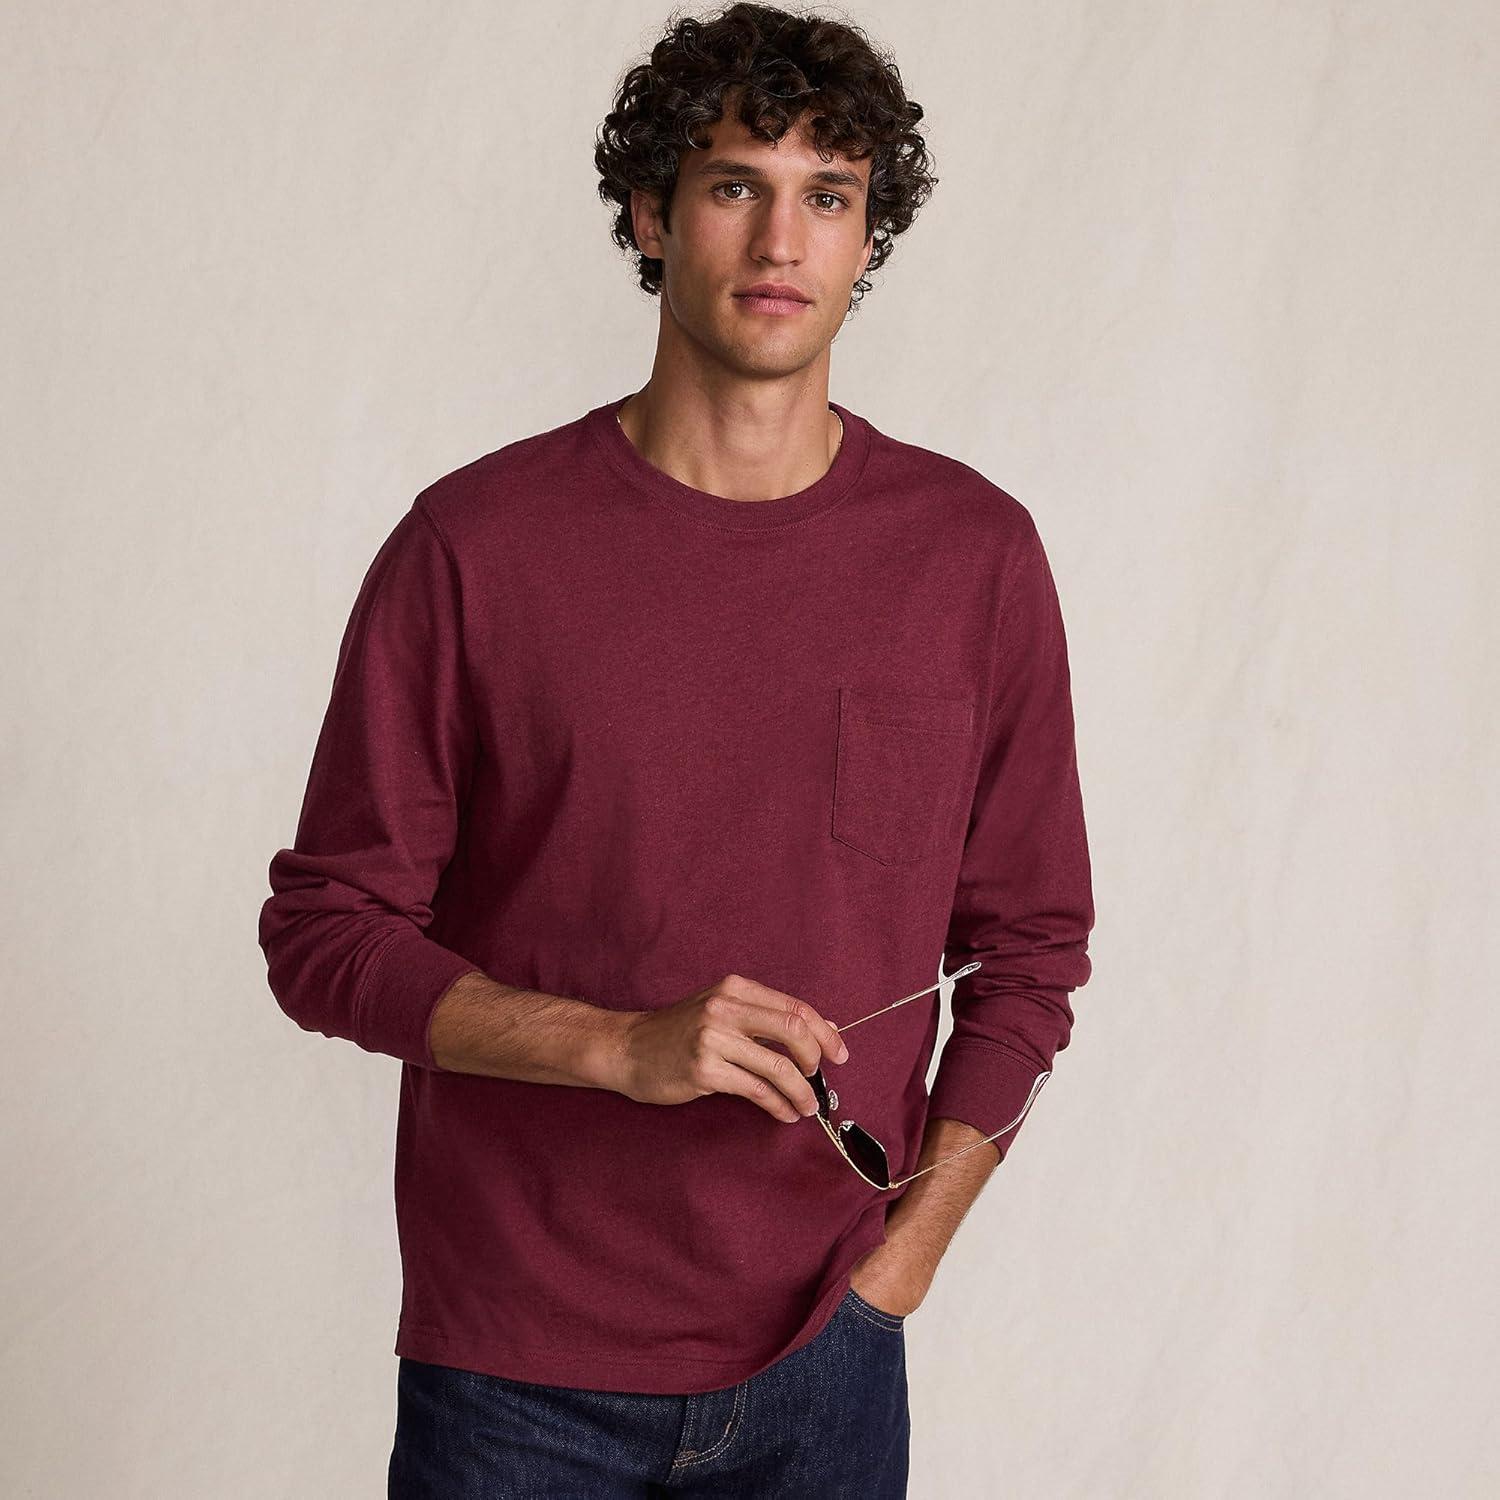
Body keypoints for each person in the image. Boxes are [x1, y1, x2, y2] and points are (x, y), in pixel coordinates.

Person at [257, 3, 1095, 1494]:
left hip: (829, 1358)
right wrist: (618, 1045)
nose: (781, 239)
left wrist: (897, 1272)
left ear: (867, 237)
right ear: (651, 216)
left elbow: (1030, 955)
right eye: (733, 185)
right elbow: (324, 934)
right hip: (514, 1371)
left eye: (827, 196)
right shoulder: (475, 545)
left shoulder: (973, 556)